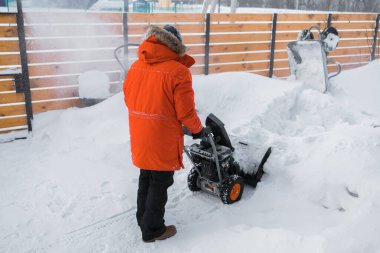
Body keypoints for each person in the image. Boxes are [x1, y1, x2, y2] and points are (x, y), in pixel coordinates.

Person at [123, 25, 207, 243]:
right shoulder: (178, 71)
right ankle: (153, 229)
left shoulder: (136, 66)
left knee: (146, 177)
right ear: (175, 44)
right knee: (160, 181)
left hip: (141, 133)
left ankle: (143, 218)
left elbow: (128, 99)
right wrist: (198, 130)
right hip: (162, 138)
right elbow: (186, 112)